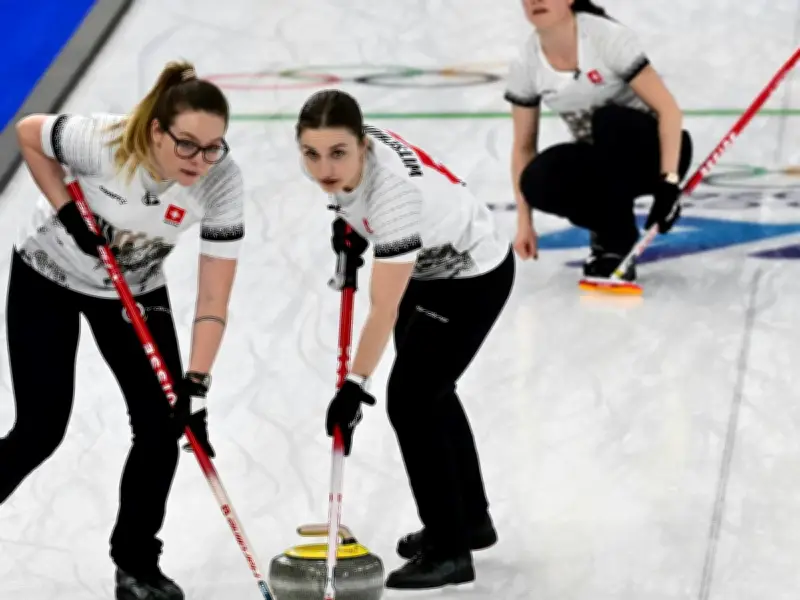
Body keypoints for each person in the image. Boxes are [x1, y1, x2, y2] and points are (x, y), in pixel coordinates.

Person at [6, 60, 244, 600]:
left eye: (213, 148)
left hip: (132, 290)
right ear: (157, 132)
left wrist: (197, 385)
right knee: (40, 430)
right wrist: (68, 212)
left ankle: (136, 565)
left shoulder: (222, 183)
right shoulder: (106, 141)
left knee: (163, 427)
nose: (201, 161)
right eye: (187, 145)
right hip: (49, 275)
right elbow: (28, 134)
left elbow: (213, 295)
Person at [295, 88, 515, 590]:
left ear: (362, 147)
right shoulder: (353, 153)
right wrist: (351, 228)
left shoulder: (394, 198)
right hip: (428, 269)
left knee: (412, 401)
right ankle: (469, 521)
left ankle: (449, 551)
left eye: (337, 154)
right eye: (311, 154)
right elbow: (356, 200)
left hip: (470, 277)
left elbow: (382, 307)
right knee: (432, 393)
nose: (324, 168)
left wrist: (353, 387)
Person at [507, 0, 694, 280]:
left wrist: (669, 180)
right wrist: (525, 223)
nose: (536, 0)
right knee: (538, 179)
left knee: (609, 120)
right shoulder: (526, 62)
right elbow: (523, 147)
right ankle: (613, 240)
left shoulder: (604, 37)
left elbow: (669, 111)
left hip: (656, 154)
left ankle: (618, 229)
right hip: (604, 170)